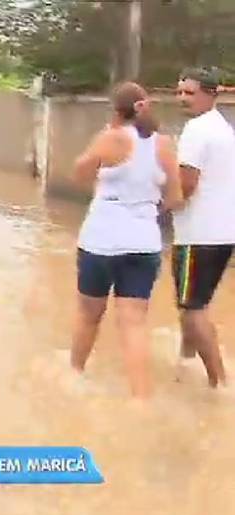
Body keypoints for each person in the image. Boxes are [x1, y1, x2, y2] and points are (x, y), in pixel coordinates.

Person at [69, 81, 183, 398]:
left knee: (89, 314)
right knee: (134, 324)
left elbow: (79, 174)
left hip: (101, 240)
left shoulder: (111, 137)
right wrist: (147, 212)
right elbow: (175, 197)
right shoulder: (164, 144)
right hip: (144, 242)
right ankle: (140, 398)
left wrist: (102, 144)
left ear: (116, 110)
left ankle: (75, 375)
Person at [172, 67, 235, 388]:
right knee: (194, 302)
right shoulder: (224, 129)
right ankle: (184, 361)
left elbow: (186, 185)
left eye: (190, 93)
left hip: (197, 235)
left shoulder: (196, 130)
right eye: (180, 92)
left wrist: (157, 205)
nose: (183, 98)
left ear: (211, 94)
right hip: (223, 234)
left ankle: (219, 383)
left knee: (193, 309)